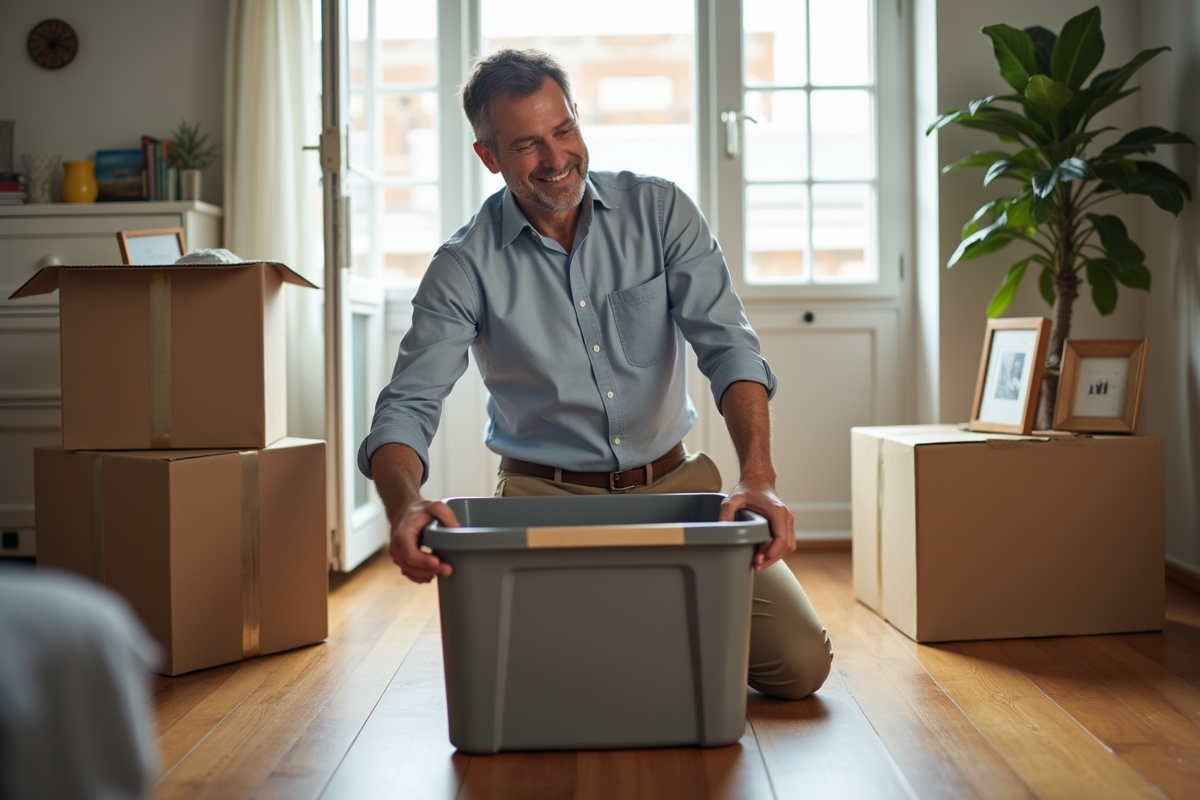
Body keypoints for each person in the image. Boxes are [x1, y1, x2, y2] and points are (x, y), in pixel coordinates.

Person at [359, 49, 832, 700]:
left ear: (578, 119)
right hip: (543, 504)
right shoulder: (462, 265)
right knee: (540, 688)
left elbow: (729, 348)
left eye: (564, 130)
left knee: (800, 666)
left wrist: (758, 475)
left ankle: (639, 634)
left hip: (676, 492)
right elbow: (407, 405)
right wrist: (405, 506)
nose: (555, 158)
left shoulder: (660, 210)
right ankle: (659, 636)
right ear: (489, 156)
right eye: (527, 144)